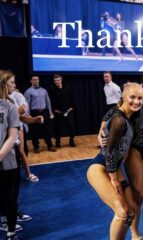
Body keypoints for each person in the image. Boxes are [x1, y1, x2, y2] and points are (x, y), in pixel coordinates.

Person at [99, 68, 143, 240]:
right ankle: (135, 234)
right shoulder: (135, 101)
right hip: (134, 149)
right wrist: (102, 127)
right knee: (139, 193)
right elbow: (114, 111)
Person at [87, 82, 143, 240]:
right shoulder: (119, 120)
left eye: (140, 98)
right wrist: (114, 178)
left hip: (115, 169)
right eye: (132, 97)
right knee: (122, 212)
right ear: (123, 97)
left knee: (131, 210)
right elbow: (110, 152)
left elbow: (107, 116)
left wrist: (101, 130)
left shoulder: (122, 114)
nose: (136, 101)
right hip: (101, 168)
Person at [5, 72, 39, 182]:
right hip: (5, 133)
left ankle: (28, 174)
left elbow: (21, 116)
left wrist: (34, 119)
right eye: (12, 83)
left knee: (20, 151)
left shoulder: (14, 98)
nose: (14, 85)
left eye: (14, 82)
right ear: (3, 84)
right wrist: (17, 112)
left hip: (16, 129)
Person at [0, 70, 21, 240]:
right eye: (11, 82)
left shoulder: (10, 106)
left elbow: (12, 137)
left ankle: (11, 231)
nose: (14, 85)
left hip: (7, 162)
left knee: (10, 197)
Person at [24, 75, 57, 153]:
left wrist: (50, 112)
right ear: (31, 81)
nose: (36, 81)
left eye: (37, 79)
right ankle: (36, 147)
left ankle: (50, 145)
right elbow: (26, 104)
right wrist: (28, 114)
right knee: (35, 131)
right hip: (34, 112)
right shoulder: (28, 91)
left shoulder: (44, 90)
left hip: (44, 112)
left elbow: (48, 101)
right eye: (34, 79)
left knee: (47, 129)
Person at [49, 74, 76, 148]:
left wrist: (71, 108)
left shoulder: (67, 87)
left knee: (71, 127)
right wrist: (54, 110)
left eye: (58, 80)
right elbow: (51, 102)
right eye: (55, 80)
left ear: (61, 80)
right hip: (58, 112)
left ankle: (71, 141)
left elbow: (72, 98)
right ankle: (57, 142)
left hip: (68, 111)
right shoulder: (52, 90)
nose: (57, 82)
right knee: (57, 128)